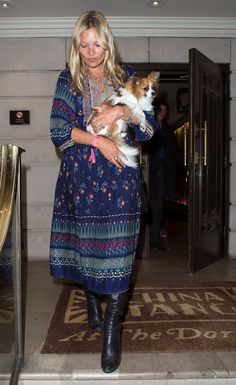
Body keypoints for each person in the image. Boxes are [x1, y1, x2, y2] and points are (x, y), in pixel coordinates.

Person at [49, 11, 157, 373]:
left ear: (107, 42)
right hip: (81, 179)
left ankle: (112, 329)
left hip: (120, 180)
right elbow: (59, 132)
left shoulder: (128, 78)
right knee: (87, 248)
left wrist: (123, 111)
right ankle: (92, 301)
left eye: (96, 43)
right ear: (76, 46)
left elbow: (150, 130)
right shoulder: (68, 80)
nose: (90, 51)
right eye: (83, 44)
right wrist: (98, 139)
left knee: (119, 253)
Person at [149, 99, 178, 251]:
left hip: (162, 171)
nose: (162, 112)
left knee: (159, 205)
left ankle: (154, 238)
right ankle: (145, 241)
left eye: (165, 110)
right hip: (148, 170)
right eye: (160, 109)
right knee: (147, 205)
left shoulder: (168, 130)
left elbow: (173, 153)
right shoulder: (148, 126)